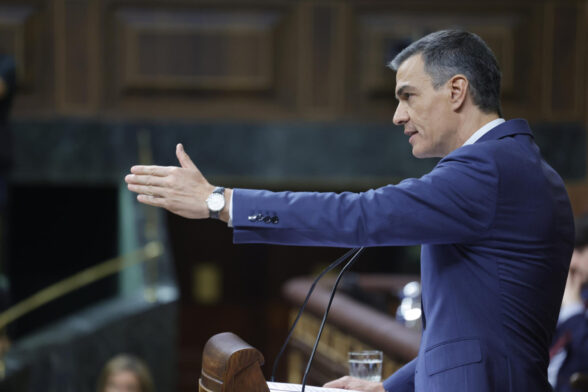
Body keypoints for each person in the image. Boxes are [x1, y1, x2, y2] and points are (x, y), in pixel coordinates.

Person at [125, 30, 575, 391]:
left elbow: (361, 214)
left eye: (408, 96)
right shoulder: (509, 166)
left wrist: (218, 202)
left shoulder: (490, 169)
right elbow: (469, 338)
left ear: (457, 90)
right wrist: (388, 389)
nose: (397, 116)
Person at [548, 214, 588, 392]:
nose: (572, 262)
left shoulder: (574, 304)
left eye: (579, 252)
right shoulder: (563, 294)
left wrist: (572, 311)